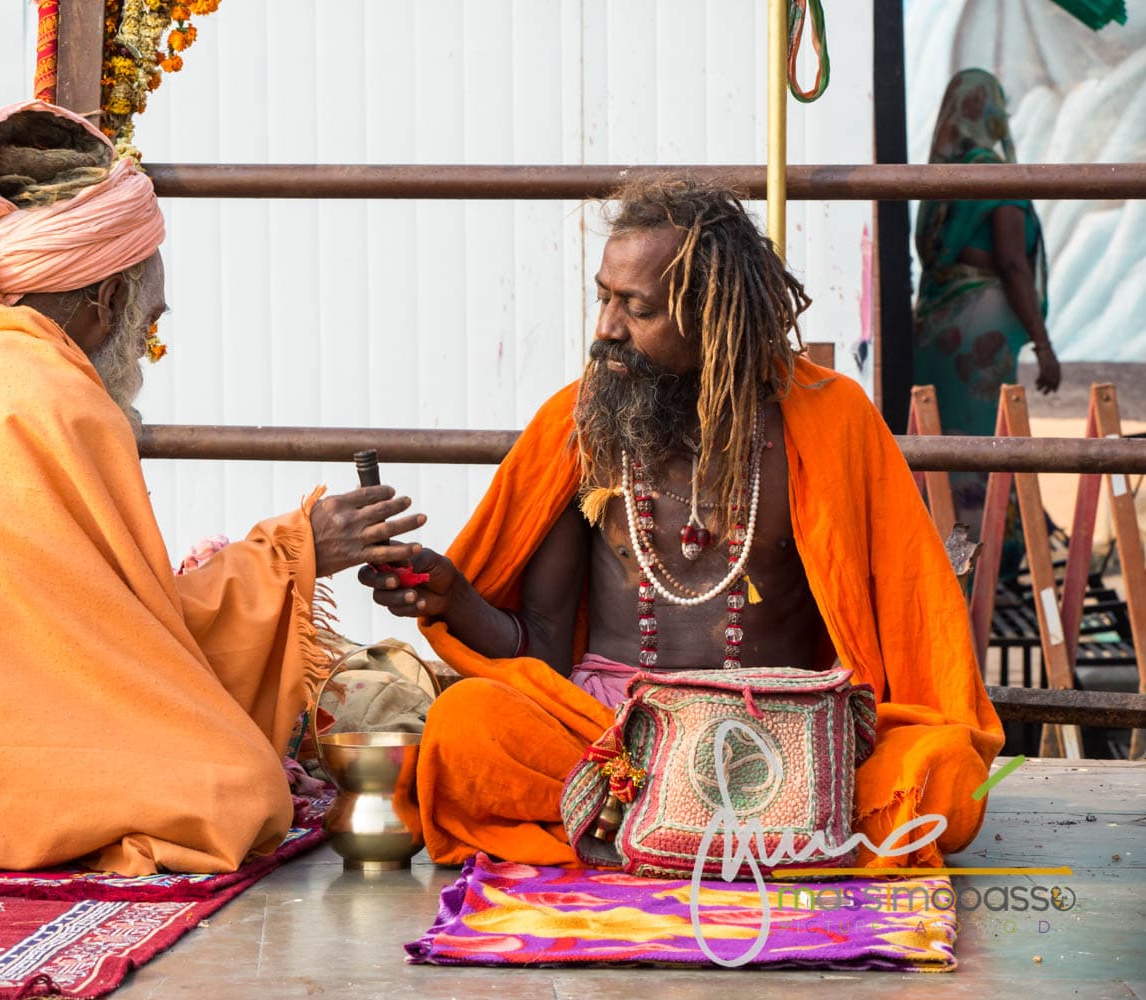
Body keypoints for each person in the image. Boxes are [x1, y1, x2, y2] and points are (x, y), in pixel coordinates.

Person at [0, 101, 426, 875]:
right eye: (149, 323)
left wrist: (289, 551)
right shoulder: (60, 397)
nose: (145, 350)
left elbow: (83, 624)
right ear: (106, 304)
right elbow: (142, 642)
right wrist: (296, 550)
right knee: (233, 791)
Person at [362, 178, 1003, 870]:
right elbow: (541, 646)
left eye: (636, 308)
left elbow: (911, 613)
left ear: (713, 316)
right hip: (612, 741)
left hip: (781, 740)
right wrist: (453, 596)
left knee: (941, 770)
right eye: (603, 298)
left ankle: (649, 833)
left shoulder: (830, 420)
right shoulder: (582, 427)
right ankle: (715, 834)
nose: (606, 329)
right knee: (465, 727)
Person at [914, 68, 1057, 550]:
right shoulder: (992, 172)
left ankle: (937, 553)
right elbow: (1013, 264)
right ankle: (984, 559)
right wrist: (1043, 344)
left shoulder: (943, 179)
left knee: (942, 447)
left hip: (933, 329)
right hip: (978, 332)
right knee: (983, 446)